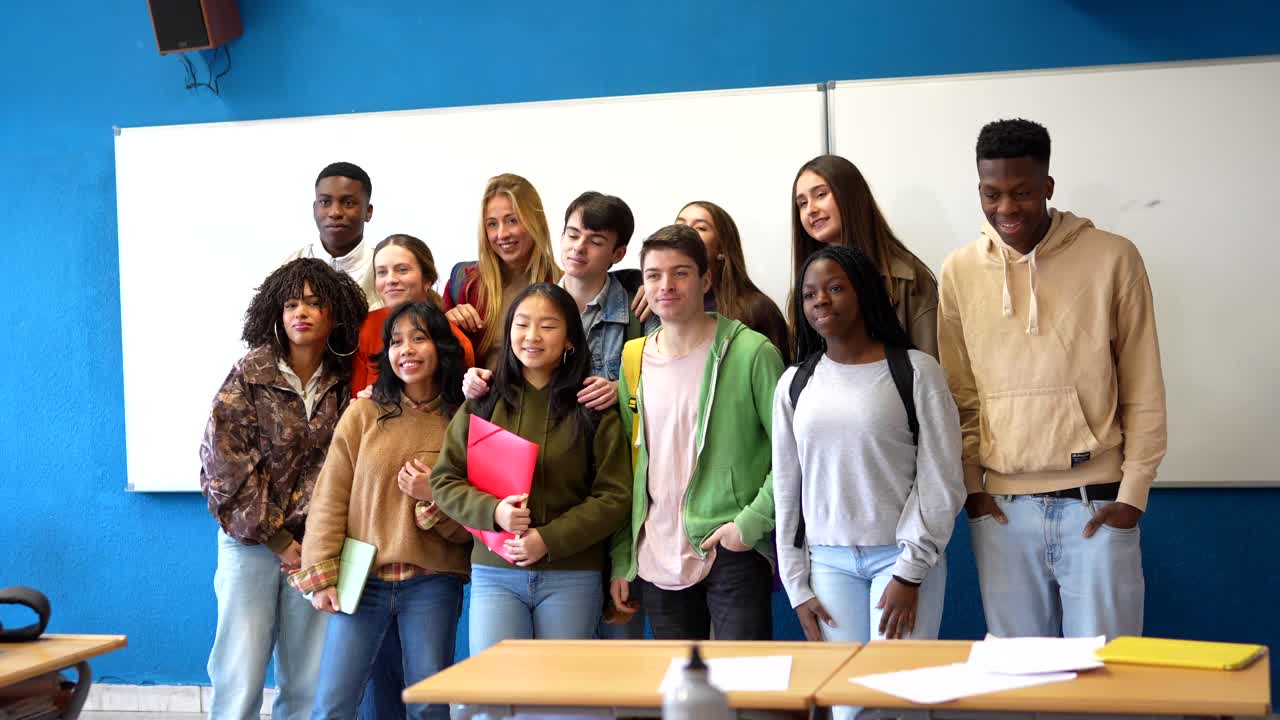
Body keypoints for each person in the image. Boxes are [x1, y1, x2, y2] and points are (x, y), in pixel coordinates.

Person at [938, 118, 1167, 639]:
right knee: (1021, 675)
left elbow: (1143, 384)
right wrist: (973, 489)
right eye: (991, 194)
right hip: (1002, 512)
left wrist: (1133, 494)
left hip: (1097, 503)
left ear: (1047, 186)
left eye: (1021, 192)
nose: (1006, 208)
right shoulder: (958, 271)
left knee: (1107, 672)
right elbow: (960, 393)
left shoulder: (1113, 257)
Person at [199, 258, 368, 720]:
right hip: (251, 545)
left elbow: (349, 468)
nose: (302, 313)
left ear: (335, 314)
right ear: (276, 312)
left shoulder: (347, 381)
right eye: (292, 304)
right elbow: (223, 466)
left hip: (318, 547)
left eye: (314, 304)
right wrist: (277, 539)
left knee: (308, 680)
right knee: (240, 673)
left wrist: (313, 544)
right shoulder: (250, 373)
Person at [774, 244, 963, 657]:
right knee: (845, 692)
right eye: (809, 294)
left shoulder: (916, 371)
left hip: (900, 558)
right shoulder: (794, 383)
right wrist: (796, 586)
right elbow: (787, 489)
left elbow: (942, 478)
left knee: (895, 686)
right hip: (826, 563)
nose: (821, 300)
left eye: (835, 288)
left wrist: (910, 572)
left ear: (863, 292)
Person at [294, 302, 472, 720]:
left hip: (432, 583)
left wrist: (434, 500)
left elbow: (472, 524)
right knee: (333, 703)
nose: (406, 349)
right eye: (395, 341)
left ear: (441, 347)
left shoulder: (462, 421)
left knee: (428, 705)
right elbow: (330, 497)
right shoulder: (364, 413)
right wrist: (321, 574)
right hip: (363, 580)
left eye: (419, 338)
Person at [430, 283, 631, 654]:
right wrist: (494, 512)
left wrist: (548, 539)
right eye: (521, 324)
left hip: (572, 573)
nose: (532, 336)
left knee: (561, 688)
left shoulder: (591, 406)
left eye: (548, 326)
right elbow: (444, 481)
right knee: (497, 686)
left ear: (570, 339)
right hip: (495, 572)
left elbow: (614, 496)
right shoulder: (483, 401)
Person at [610, 225, 784, 641]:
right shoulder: (633, 357)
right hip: (656, 551)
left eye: (680, 273)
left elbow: (793, 454)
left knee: (744, 678)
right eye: (654, 275)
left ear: (706, 281)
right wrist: (622, 558)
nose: (666, 285)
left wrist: (750, 525)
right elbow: (624, 467)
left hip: (730, 545)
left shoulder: (752, 352)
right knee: (681, 681)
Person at [791, 155, 938, 357]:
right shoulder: (804, 291)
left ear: (850, 195)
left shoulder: (909, 280)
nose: (811, 210)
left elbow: (930, 368)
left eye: (821, 194)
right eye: (802, 203)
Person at [443, 173, 561, 367]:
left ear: (536, 222)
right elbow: (437, 356)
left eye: (512, 220)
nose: (502, 234)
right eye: (492, 224)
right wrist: (448, 325)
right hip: (479, 388)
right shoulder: (464, 284)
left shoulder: (562, 287)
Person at [676, 201, 791, 363]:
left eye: (700, 228)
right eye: (679, 225)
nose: (685, 232)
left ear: (722, 248)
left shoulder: (756, 309)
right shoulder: (664, 304)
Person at [286, 162, 383, 310]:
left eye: (348, 203)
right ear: (314, 209)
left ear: (368, 212)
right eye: (325, 202)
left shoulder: (387, 273)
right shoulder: (287, 269)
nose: (335, 212)